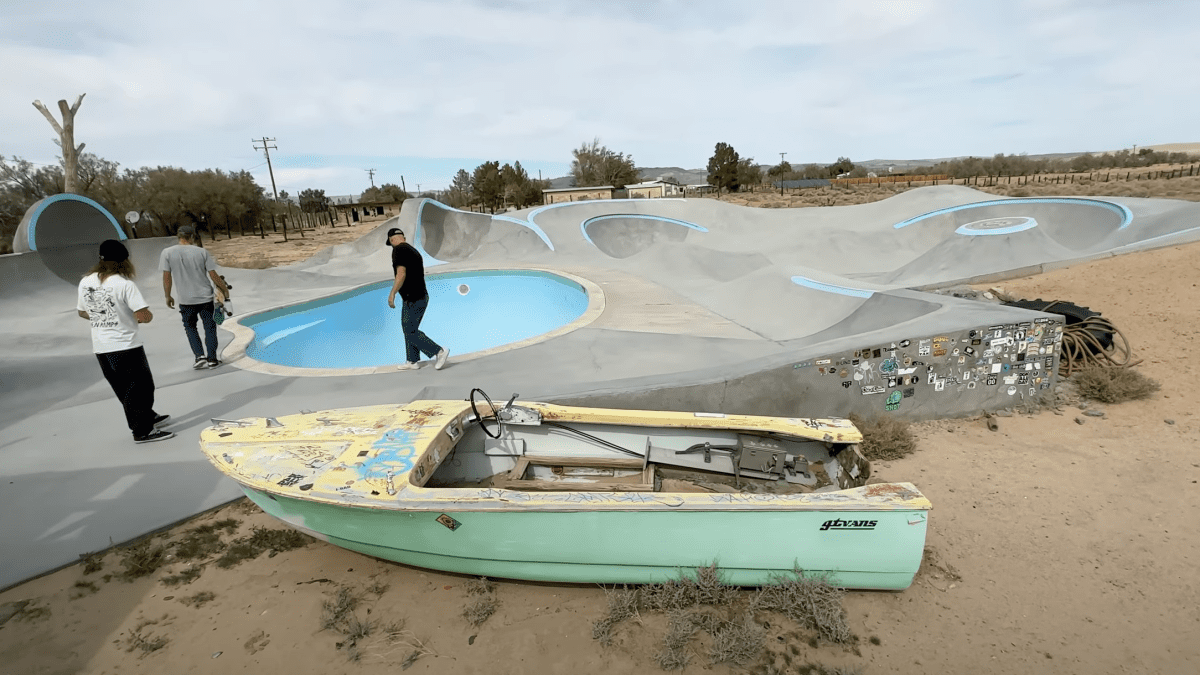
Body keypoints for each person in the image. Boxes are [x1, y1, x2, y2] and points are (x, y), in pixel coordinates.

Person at [77, 239, 174, 443]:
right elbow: (143, 316)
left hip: (101, 347)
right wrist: (138, 317)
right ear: (124, 261)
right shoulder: (124, 284)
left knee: (124, 388)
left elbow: (82, 312)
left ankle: (146, 416)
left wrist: (102, 317)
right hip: (125, 346)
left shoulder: (85, 281)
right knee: (141, 387)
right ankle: (142, 431)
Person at [160, 225, 230, 369]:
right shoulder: (201, 252)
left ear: (179, 237)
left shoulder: (167, 253)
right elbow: (213, 275)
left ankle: (199, 356)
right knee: (209, 327)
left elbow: (167, 277)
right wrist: (223, 289)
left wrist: (168, 295)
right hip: (205, 297)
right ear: (192, 237)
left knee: (190, 327)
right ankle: (212, 359)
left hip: (186, 299)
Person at [386, 227, 448, 371]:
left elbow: (401, 274)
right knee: (409, 328)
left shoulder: (398, 250)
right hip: (420, 296)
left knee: (410, 331)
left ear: (392, 240)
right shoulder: (413, 250)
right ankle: (412, 360)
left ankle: (439, 351)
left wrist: (392, 293)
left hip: (413, 298)